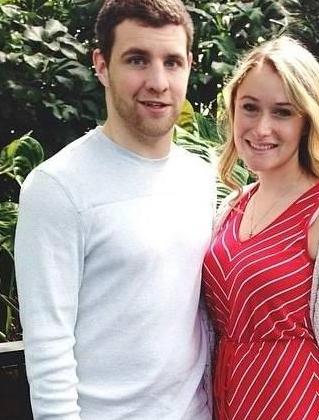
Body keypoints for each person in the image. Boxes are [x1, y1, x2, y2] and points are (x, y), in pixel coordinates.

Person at [15, 1, 215, 419]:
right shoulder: (57, 187)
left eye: (172, 62)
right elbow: (49, 349)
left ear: (189, 67)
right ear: (102, 65)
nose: (158, 82)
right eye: (137, 60)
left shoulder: (199, 177)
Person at [202, 36, 319, 419]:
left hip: (297, 403)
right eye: (250, 108)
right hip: (228, 401)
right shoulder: (232, 206)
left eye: (282, 112)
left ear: (307, 121)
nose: (261, 127)